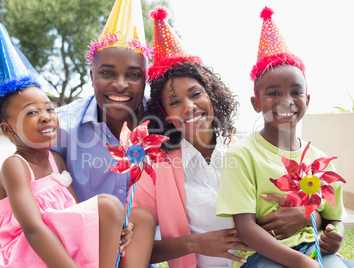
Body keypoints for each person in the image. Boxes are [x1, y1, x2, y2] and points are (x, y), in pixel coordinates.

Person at [0, 0, 157, 267]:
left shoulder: (161, 126)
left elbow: (75, 211)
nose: (120, 84)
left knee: (141, 217)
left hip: (91, 241)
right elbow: (3, 212)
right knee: (110, 206)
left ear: (145, 80)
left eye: (133, 75)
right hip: (44, 250)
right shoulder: (61, 126)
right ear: (91, 76)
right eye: (107, 73)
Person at [131, 6, 321, 268]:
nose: (188, 106)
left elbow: (308, 206)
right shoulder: (155, 169)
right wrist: (195, 244)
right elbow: (135, 248)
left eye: (196, 94)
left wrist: (306, 216)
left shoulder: (250, 151)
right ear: (164, 113)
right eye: (174, 102)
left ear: (212, 96)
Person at [216, 7, 354, 268]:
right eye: (273, 93)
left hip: (314, 249)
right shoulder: (242, 155)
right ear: (257, 103)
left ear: (307, 100)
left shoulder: (321, 160)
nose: (286, 101)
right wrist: (301, 263)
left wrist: (335, 236)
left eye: (295, 91)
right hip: (264, 256)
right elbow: (245, 227)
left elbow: (334, 218)